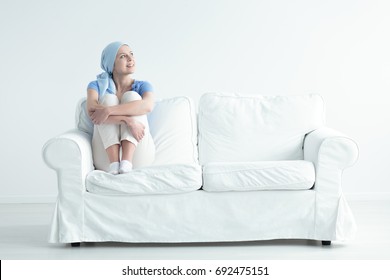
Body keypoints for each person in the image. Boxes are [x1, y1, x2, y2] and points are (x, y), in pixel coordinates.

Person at [86, 41, 155, 174]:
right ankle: (115, 163)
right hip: (105, 159)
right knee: (108, 99)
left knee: (132, 97)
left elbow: (147, 106)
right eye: (123, 56)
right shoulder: (95, 86)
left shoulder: (143, 86)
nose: (130, 59)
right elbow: (92, 112)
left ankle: (126, 162)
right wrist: (128, 121)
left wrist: (108, 111)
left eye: (131, 54)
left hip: (139, 155)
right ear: (111, 64)